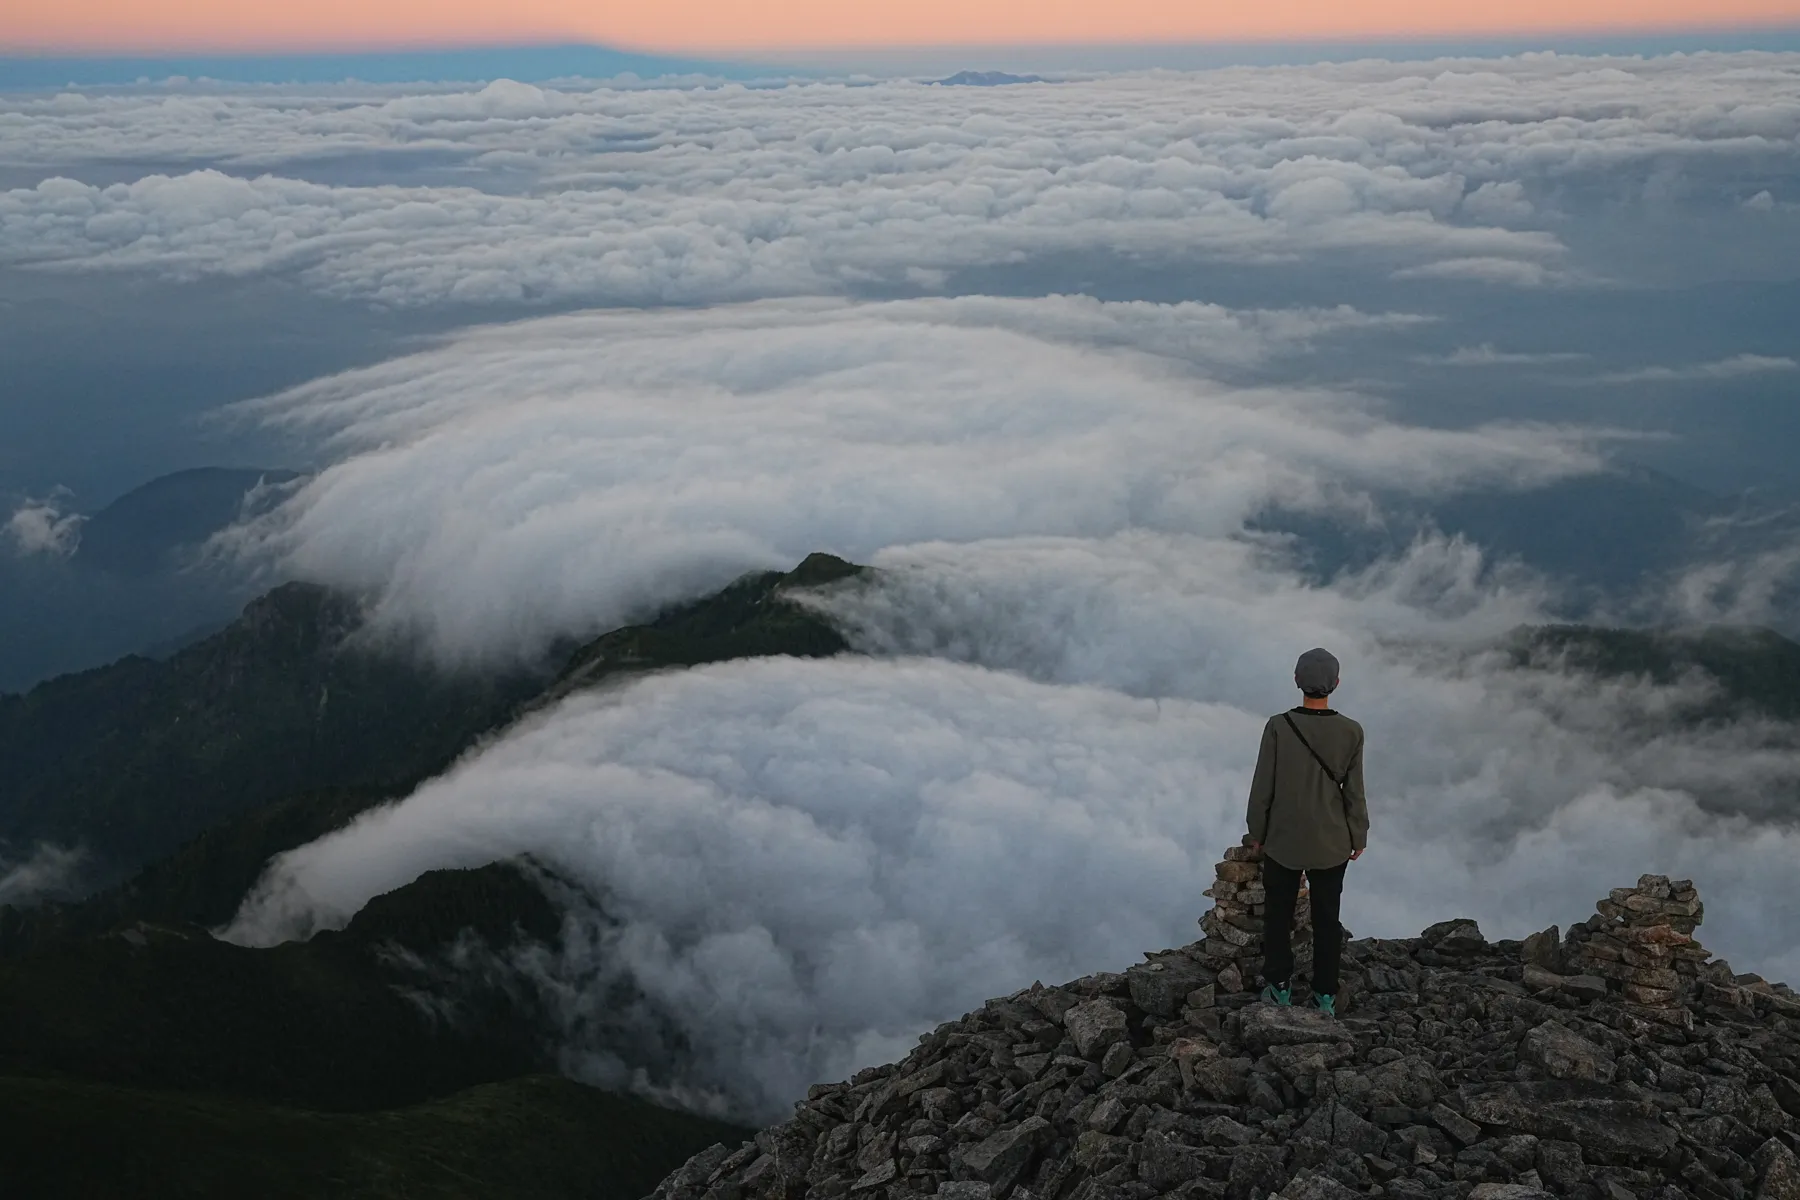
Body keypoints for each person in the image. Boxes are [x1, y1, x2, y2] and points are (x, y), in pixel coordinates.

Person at [1244, 647, 1369, 1016]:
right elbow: (1355, 792)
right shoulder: (1351, 732)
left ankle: (1279, 987)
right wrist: (1358, 835)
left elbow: (1262, 785)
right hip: (1332, 841)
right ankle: (1324, 996)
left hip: (1284, 839)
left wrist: (1257, 830)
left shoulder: (1279, 726)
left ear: (1296, 680)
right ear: (1336, 684)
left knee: (1278, 914)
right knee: (1327, 919)